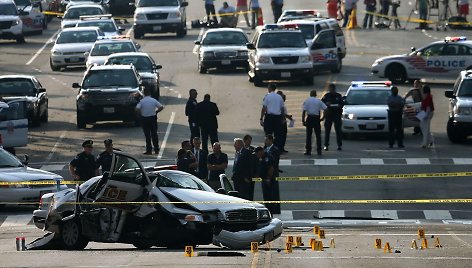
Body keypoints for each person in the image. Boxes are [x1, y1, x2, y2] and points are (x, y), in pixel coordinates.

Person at [135, 88, 164, 155]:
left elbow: (137, 109)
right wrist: (156, 111)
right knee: (154, 134)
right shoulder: (153, 100)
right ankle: (156, 149)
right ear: (150, 93)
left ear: (144, 93)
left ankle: (149, 150)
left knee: (147, 135)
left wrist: (140, 114)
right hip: (153, 118)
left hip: (145, 119)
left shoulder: (142, 101)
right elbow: (161, 107)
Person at [254, 146, 280, 215]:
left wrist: (268, 178)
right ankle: (269, 211)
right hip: (264, 180)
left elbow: (270, 168)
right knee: (266, 197)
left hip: (269, 181)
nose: (257, 155)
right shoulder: (262, 158)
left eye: (257, 153)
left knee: (270, 197)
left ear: (260, 151)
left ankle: (271, 212)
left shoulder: (267, 157)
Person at [302, 90, 327, 156]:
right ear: (315, 94)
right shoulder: (318, 101)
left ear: (310, 94)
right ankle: (319, 151)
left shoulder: (307, 101)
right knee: (318, 135)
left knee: (309, 135)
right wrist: (323, 117)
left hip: (309, 118)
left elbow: (304, 111)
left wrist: (303, 120)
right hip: (316, 119)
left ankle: (308, 150)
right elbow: (326, 109)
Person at [260, 84, 284, 150]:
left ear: (270, 88)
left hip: (269, 117)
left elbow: (264, 108)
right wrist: (282, 118)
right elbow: (282, 109)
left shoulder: (267, 96)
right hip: (277, 117)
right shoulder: (279, 97)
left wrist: (261, 118)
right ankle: (276, 148)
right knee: (277, 134)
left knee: (268, 133)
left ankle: (267, 148)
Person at [321, 84, 344, 151]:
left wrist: (339, 106)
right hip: (329, 115)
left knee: (338, 131)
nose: (330, 90)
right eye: (329, 89)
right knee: (327, 131)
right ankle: (326, 145)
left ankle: (339, 145)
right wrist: (326, 104)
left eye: (331, 89)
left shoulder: (338, 96)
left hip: (337, 115)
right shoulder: (326, 96)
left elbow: (342, 104)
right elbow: (322, 102)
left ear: (334, 89)